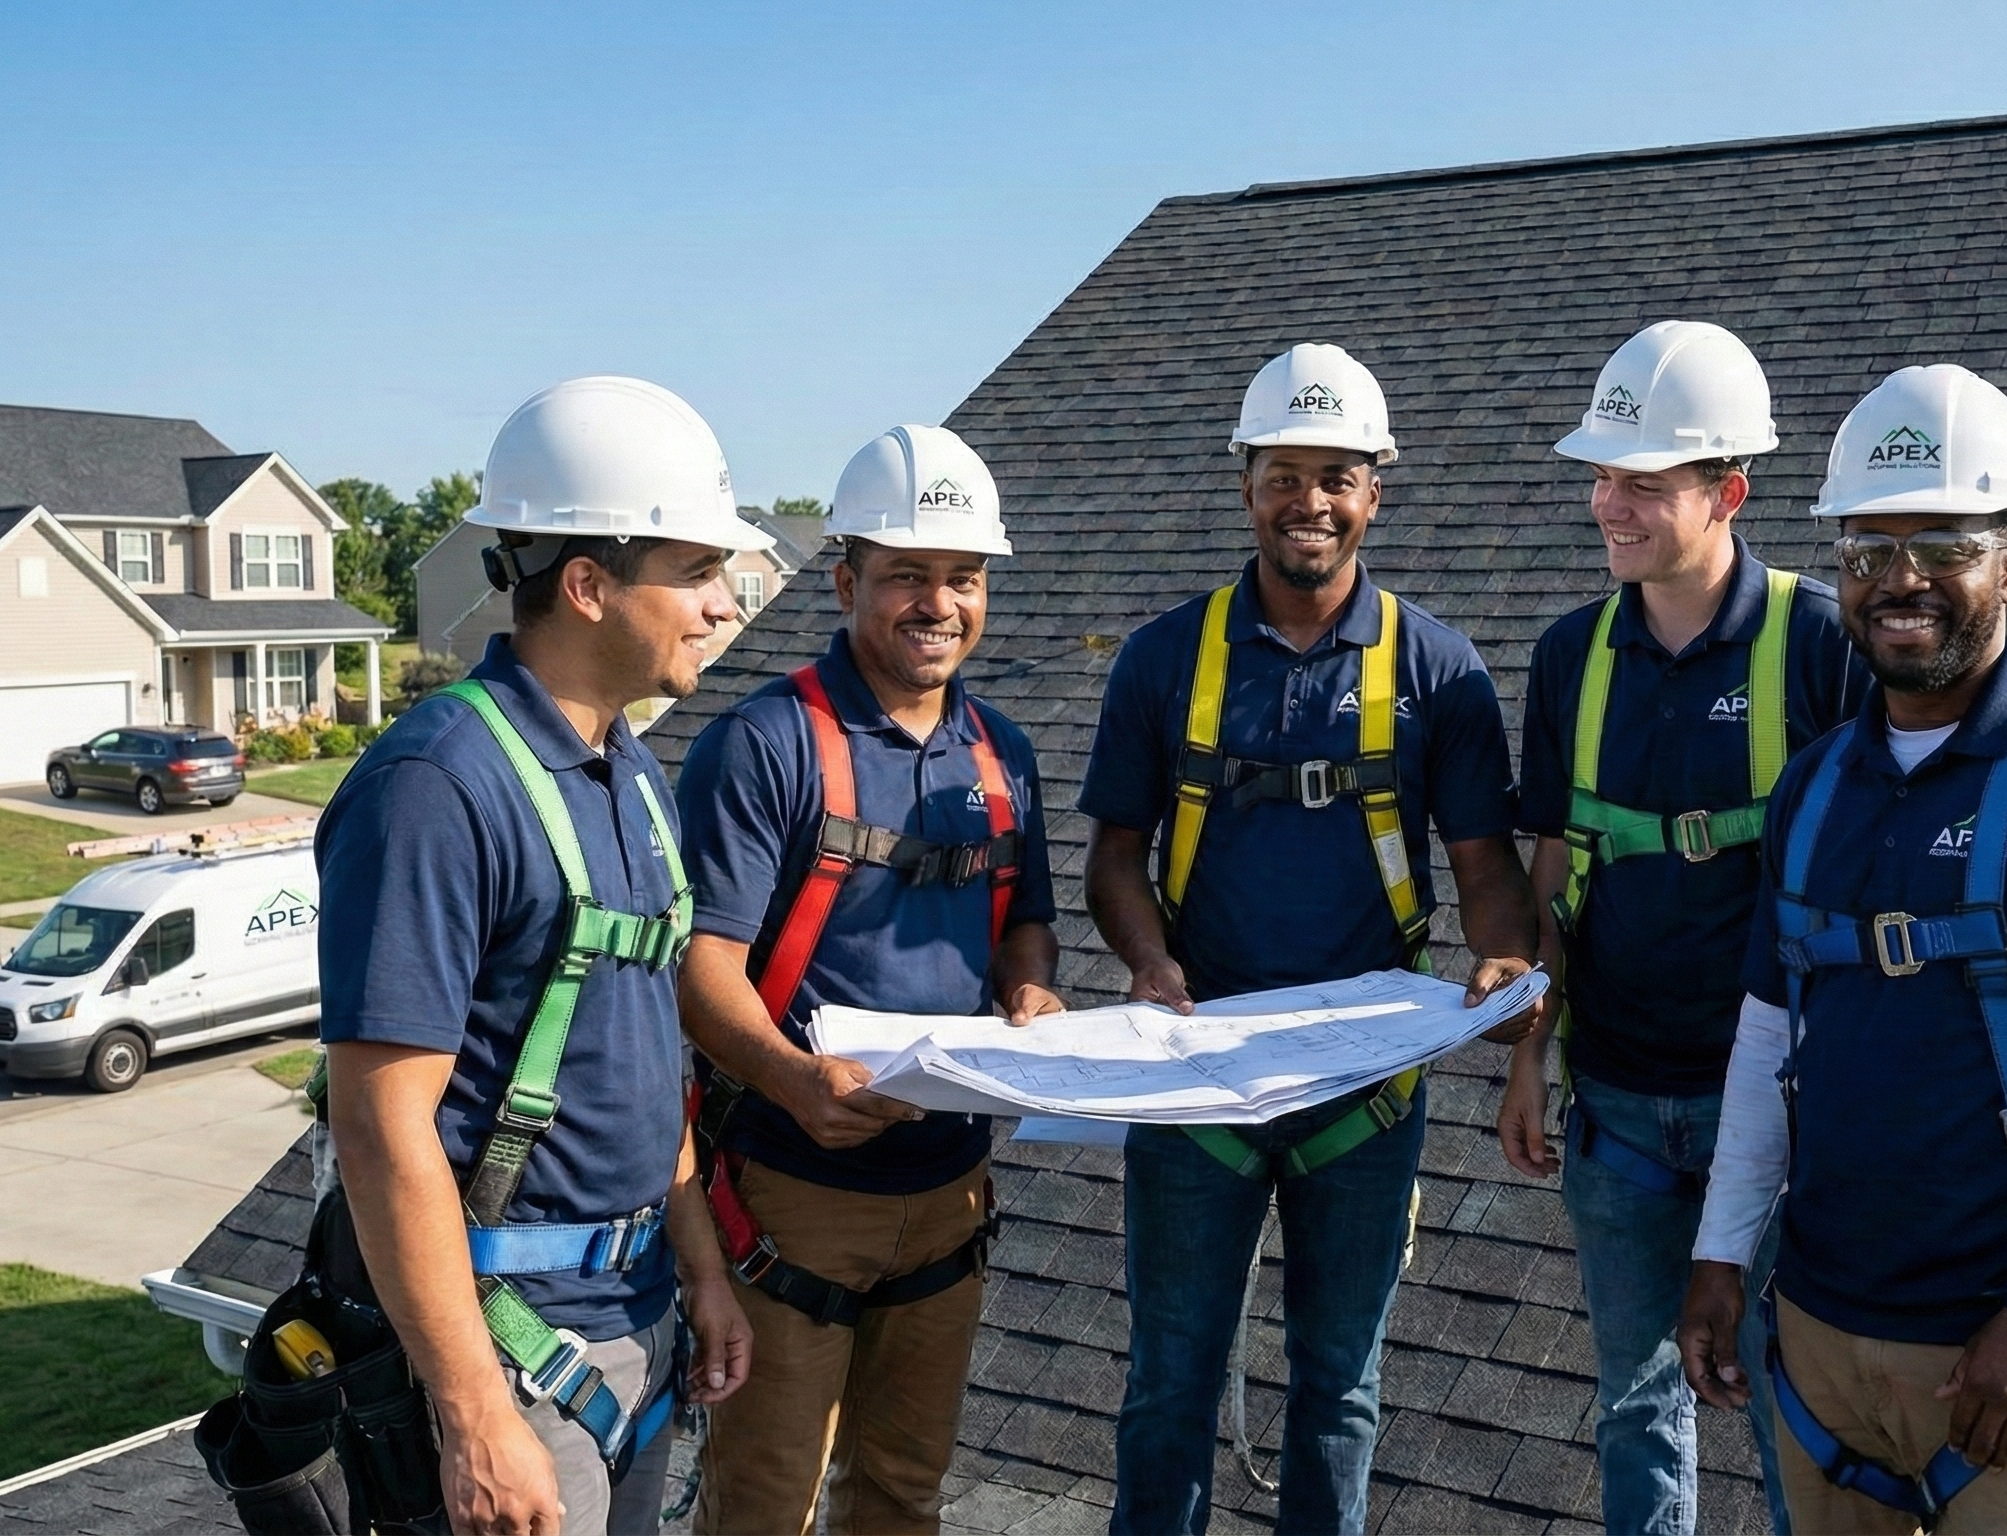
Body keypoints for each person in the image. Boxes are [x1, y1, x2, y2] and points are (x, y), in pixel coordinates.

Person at [1674, 364, 2007, 1535]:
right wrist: (1721, 1252)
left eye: (1941, 545)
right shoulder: (1814, 787)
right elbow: (1770, 1031)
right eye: (1867, 551)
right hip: (1821, 1339)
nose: (1897, 581)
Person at [1080, 343, 1542, 1535]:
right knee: (1166, 1380)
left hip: (1362, 1087)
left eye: (1337, 475)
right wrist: (1145, 962)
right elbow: (1112, 858)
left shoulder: (1433, 672)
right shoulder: (1166, 658)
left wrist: (1496, 958)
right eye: (1286, 473)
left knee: (1339, 1390)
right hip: (1201, 1074)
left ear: (1374, 491)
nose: (1311, 502)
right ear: (1246, 483)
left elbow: (1485, 870)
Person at [317, 376, 761, 1536]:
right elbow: (379, 1121)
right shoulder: (437, 789)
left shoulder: (634, 775)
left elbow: (647, 1061)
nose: (724, 605)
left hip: (642, 1313)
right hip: (513, 1344)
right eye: (698, 571)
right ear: (587, 583)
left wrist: (702, 1269)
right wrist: (471, 1413)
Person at [1499, 321, 1867, 1535]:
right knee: (1635, 1404)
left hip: (1768, 1113)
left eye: (1643, 485)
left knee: (1783, 1403)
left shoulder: (1817, 646)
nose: (1608, 506)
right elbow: (1554, 861)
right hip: (1613, 1109)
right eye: (1602, 479)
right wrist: (1526, 1052)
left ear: (1729, 492)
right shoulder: (1572, 656)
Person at [671, 425, 1062, 1536]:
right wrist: (793, 1079)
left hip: (948, 1192)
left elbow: (1023, 926)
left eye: (962, 577)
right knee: (763, 1505)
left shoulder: (1003, 756)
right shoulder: (767, 745)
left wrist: (1030, 995)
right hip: (794, 1194)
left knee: (902, 1495)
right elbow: (698, 969)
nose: (938, 603)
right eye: (906, 577)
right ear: (845, 582)